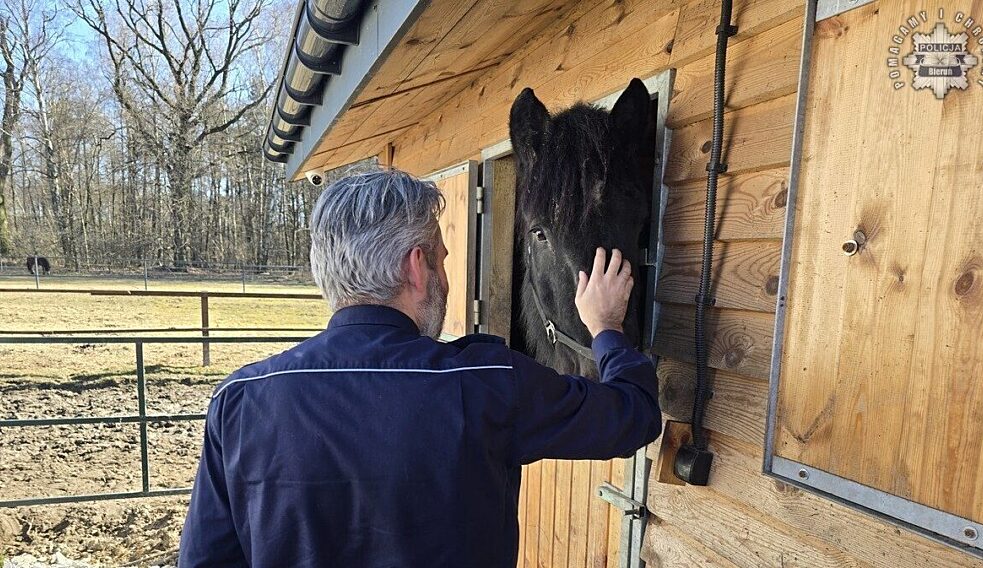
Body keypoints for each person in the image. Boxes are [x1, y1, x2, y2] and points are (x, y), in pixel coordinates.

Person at [178, 169, 661, 567]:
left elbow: (205, 561)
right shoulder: (486, 382)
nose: (446, 279)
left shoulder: (239, 400)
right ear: (416, 266)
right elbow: (634, 415)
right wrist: (606, 328)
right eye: (443, 259)